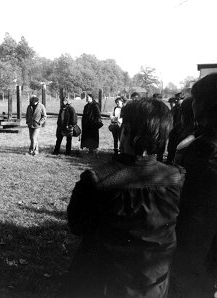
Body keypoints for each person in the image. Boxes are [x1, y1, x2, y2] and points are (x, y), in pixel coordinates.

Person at [67, 98, 185, 298]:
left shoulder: (98, 179)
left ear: (127, 130)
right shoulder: (178, 177)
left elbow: (77, 226)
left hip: (104, 283)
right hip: (154, 284)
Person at [171, 73, 217, 298]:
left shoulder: (203, 148)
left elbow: (186, 198)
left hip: (198, 237)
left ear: (207, 105)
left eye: (197, 100)